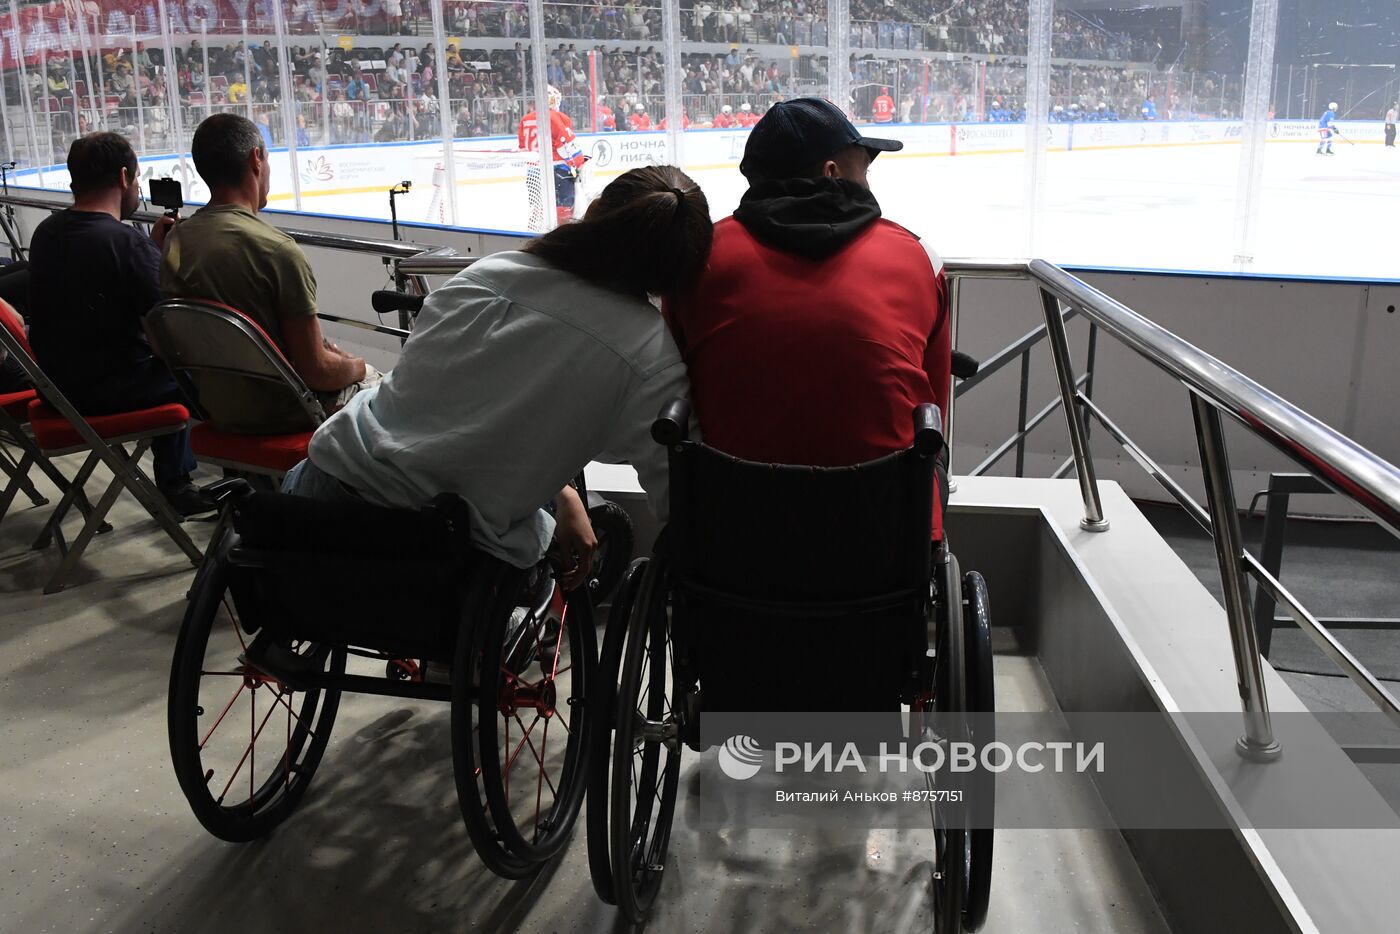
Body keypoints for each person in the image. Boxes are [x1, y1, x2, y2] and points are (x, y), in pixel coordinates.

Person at [284, 165, 713, 585]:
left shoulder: (486, 275)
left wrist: (562, 493)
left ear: (595, 209)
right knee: (536, 568)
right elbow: (684, 499)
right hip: (440, 557)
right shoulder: (651, 359)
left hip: (318, 498)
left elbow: (441, 419)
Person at [666, 97, 951, 541]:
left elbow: (678, 382)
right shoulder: (917, 258)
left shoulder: (696, 257)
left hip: (734, 536)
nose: (869, 182)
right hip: (885, 537)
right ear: (832, 173)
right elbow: (933, 405)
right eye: (865, 169)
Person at [26, 133, 211, 515]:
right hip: (106, 393)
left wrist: (150, 255)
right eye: (138, 178)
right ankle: (178, 483)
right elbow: (166, 342)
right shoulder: (125, 244)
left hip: (56, 388)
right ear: (125, 177)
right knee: (193, 374)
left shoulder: (47, 233)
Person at [160, 114, 373, 431]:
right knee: (386, 387)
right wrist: (357, 366)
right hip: (287, 412)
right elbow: (317, 372)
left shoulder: (175, 241)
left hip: (219, 410)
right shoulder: (276, 250)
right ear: (256, 159)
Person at [517, 85, 588, 225]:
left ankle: (536, 231)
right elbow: (565, 144)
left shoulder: (525, 119)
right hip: (557, 169)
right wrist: (578, 164)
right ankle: (561, 235)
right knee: (564, 205)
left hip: (534, 172)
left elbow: (521, 147)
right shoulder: (555, 117)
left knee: (538, 206)